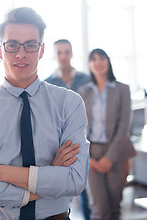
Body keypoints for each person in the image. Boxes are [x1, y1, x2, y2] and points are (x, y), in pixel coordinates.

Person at [0, 7, 90, 220]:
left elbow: (75, 181)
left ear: (42, 50)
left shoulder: (69, 103)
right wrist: (47, 177)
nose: (21, 53)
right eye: (12, 45)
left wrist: (2, 173)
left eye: (30, 45)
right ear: (0, 50)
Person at [78, 48, 136, 220]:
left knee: (114, 207)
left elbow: (124, 126)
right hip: (92, 153)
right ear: (89, 65)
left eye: (102, 58)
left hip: (117, 152)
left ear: (108, 62)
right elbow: (78, 127)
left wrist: (109, 158)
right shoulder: (83, 92)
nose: (98, 62)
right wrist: (89, 157)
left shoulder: (122, 90)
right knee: (99, 209)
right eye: (93, 59)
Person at [45, 39, 91, 220]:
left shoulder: (86, 79)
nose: (63, 56)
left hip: (86, 141)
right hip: (61, 146)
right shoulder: (48, 84)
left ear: (71, 53)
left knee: (86, 191)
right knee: (61, 191)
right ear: (55, 55)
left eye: (67, 52)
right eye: (59, 52)